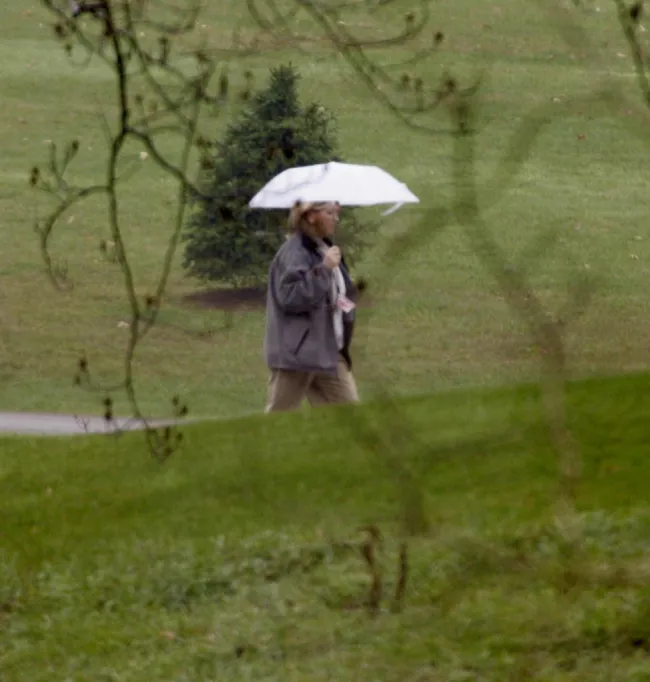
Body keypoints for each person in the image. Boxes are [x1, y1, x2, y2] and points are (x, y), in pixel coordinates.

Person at [263, 200, 360, 412]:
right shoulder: (294, 252)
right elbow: (290, 297)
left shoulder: (324, 248)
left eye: (336, 212)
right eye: (329, 212)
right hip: (297, 356)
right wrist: (324, 269)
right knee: (280, 420)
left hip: (329, 352)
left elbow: (338, 295)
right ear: (310, 216)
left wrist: (347, 301)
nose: (336, 218)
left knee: (350, 416)